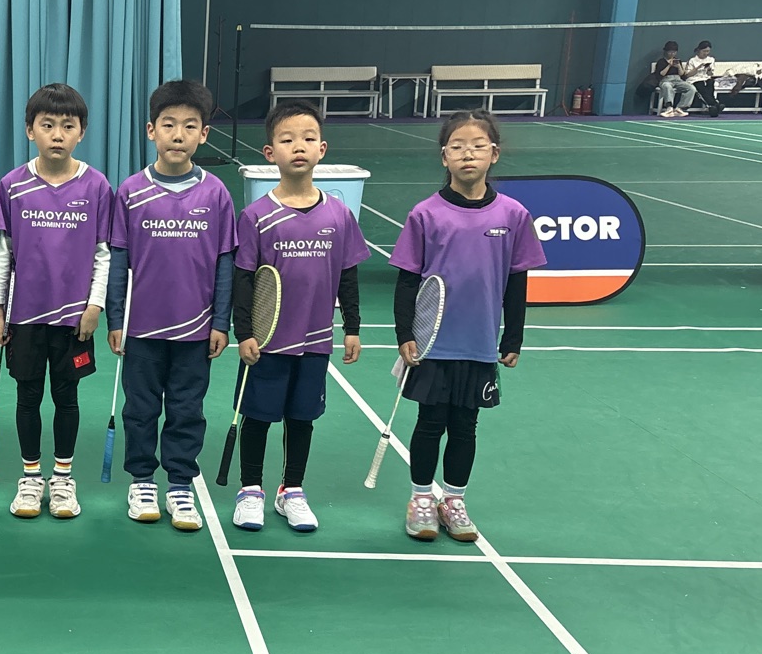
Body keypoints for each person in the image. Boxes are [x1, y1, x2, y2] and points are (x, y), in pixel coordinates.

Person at [389, 109, 546, 542]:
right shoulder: (426, 214)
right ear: (445, 157)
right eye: (457, 147)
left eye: (478, 146)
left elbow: (517, 281)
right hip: (433, 343)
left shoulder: (513, 215)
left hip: (479, 343)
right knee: (429, 423)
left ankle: (454, 501)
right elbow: (407, 281)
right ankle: (422, 498)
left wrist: (513, 337)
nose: (468, 154)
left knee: (465, 426)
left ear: (494, 154)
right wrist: (405, 334)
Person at [229, 101, 368, 533]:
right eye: (287, 140)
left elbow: (347, 275)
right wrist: (244, 332)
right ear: (270, 153)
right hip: (268, 340)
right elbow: (243, 279)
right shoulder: (255, 216)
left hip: (315, 340)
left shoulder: (339, 215)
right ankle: (250, 489)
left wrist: (352, 328)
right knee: (257, 416)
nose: (299, 147)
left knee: (302, 418)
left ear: (322, 149)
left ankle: (292, 490)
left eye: (308, 138)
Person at [103, 80, 235, 532]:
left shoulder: (216, 193)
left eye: (190, 126)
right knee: (140, 410)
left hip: (196, 330)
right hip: (142, 329)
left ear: (204, 134)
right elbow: (119, 260)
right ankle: (142, 481)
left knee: (186, 410)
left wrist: (221, 322)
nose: (178, 135)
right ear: (151, 130)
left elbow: (224, 262)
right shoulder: (131, 192)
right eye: (169, 125)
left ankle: (180, 484)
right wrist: (116, 318)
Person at [0, 83, 113, 520]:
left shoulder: (97, 186)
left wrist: (94, 306)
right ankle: (30, 478)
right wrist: (0, 310)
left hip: (73, 319)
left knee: (67, 397)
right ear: (30, 131)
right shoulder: (11, 186)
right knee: (27, 397)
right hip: (25, 317)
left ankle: (62, 478)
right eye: (47, 125)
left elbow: (103, 253)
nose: (57, 134)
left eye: (67, 125)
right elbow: (3, 253)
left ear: (82, 132)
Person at [649, 42, 694, 118]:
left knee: (691, 88)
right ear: (666, 51)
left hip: (678, 79)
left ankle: (680, 108)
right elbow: (661, 74)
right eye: (670, 52)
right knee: (667, 87)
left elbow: (682, 75)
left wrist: (679, 66)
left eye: (674, 52)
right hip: (666, 80)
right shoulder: (661, 61)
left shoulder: (678, 61)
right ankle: (669, 108)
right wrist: (669, 65)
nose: (672, 54)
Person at [683, 40, 722, 116]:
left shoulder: (711, 59)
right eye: (704, 51)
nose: (706, 53)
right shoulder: (692, 60)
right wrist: (697, 68)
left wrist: (709, 70)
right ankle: (715, 104)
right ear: (699, 50)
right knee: (701, 86)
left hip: (706, 78)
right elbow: (688, 75)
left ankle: (712, 106)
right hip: (694, 79)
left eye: (708, 51)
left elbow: (710, 74)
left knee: (710, 83)